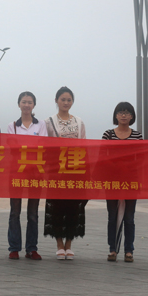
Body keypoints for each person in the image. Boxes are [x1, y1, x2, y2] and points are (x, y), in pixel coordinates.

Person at [43, 87, 87, 260]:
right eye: (63, 99)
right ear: (56, 100)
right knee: (57, 207)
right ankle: (59, 244)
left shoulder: (79, 121)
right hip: (56, 170)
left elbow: (83, 145)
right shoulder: (48, 122)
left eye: (69, 100)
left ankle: (69, 244)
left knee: (73, 207)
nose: (66, 103)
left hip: (75, 170)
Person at [7, 91, 47, 260]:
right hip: (16, 172)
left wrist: (26, 146)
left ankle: (31, 248)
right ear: (19, 104)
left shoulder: (41, 125)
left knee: (33, 213)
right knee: (15, 212)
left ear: (34, 105)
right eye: (23, 102)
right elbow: (12, 148)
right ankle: (14, 248)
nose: (26, 105)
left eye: (29, 102)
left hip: (36, 173)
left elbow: (43, 146)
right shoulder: (12, 126)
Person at [102, 102, 143, 263]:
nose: (124, 115)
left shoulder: (137, 136)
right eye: (120, 112)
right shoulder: (108, 134)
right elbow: (102, 157)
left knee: (129, 218)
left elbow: (141, 159)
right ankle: (112, 249)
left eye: (127, 112)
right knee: (112, 217)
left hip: (131, 182)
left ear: (132, 116)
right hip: (112, 182)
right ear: (116, 115)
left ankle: (129, 250)